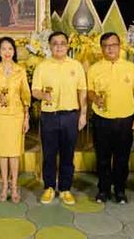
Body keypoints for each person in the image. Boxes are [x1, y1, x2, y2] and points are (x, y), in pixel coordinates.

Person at [87, 32, 134, 204]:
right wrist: (94, 97)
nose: (110, 48)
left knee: (122, 157)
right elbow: (89, 90)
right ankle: (103, 190)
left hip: (125, 118)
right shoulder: (94, 68)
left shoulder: (131, 68)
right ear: (101, 48)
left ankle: (120, 190)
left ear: (120, 47)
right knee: (103, 157)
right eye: (106, 45)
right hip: (102, 118)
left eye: (114, 45)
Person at [32, 31, 87, 205]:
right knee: (49, 154)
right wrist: (43, 96)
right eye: (55, 43)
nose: (59, 47)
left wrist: (83, 114)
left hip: (70, 115)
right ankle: (49, 187)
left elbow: (82, 90)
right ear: (50, 46)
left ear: (67, 46)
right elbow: (35, 90)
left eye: (62, 43)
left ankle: (65, 188)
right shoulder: (42, 66)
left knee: (67, 154)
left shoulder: (76, 66)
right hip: (49, 115)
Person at [0, 37, 31, 203]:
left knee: (14, 153)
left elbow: (26, 95)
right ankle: (4, 185)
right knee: (2, 153)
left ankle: (14, 186)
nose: (7, 52)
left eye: (10, 49)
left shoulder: (20, 71)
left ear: (14, 52)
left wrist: (26, 117)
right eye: (3, 49)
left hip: (16, 115)